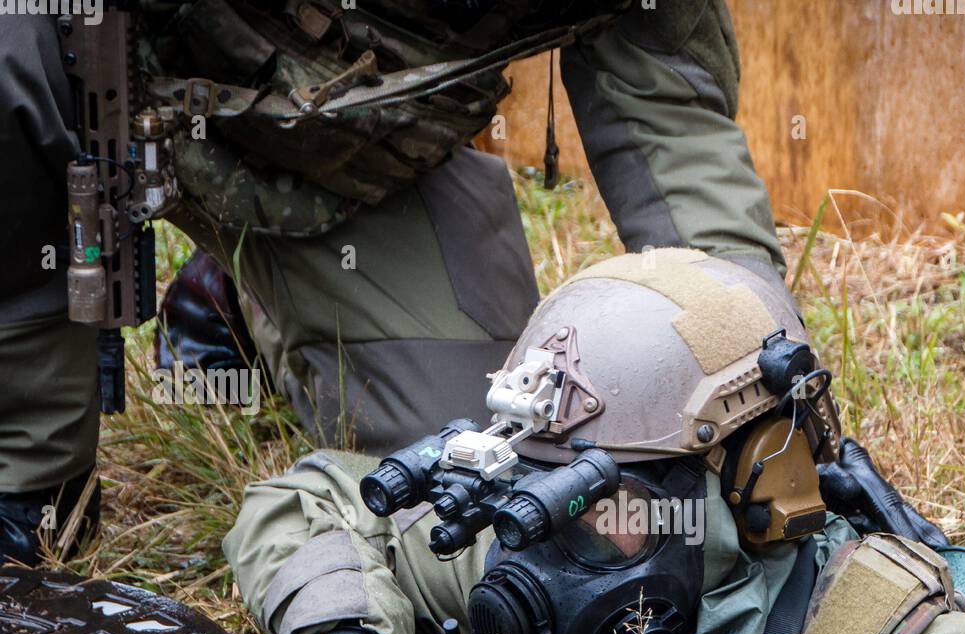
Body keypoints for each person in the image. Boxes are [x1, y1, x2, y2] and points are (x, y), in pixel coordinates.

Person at [224, 249, 965, 634]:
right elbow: (315, 496)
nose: (551, 548)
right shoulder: (529, 536)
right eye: (540, 490)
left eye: (601, 503)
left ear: (755, 483)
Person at [0, 1, 783, 563]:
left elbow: (668, 116)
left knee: (472, 490)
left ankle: (239, 293)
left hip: (334, 154)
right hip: (89, 80)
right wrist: (30, 480)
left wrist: (759, 386)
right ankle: (29, 476)